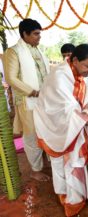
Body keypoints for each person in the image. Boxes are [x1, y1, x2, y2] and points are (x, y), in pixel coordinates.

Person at [33, 44, 88, 216]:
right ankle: (69, 198)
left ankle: (79, 193)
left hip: (75, 124)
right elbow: (69, 111)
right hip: (56, 126)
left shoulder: (79, 72)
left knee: (76, 159)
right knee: (63, 162)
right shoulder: (60, 75)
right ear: (75, 60)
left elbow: (86, 101)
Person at [3, 18, 50, 181]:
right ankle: (35, 170)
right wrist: (32, 92)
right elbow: (10, 78)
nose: (39, 37)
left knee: (45, 131)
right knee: (31, 136)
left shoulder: (39, 51)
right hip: (27, 101)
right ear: (25, 34)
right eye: (36, 34)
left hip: (44, 100)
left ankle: (46, 160)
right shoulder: (14, 51)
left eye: (39, 34)